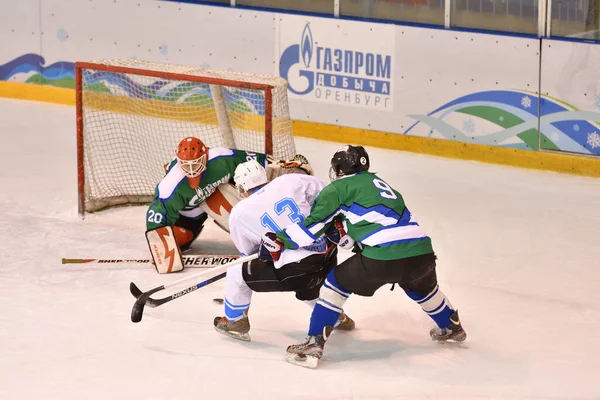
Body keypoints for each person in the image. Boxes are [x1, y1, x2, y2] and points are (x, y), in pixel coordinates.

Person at [260, 145, 466, 368]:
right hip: (422, 253)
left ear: (340, 170)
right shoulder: (381, 185)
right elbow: (376, 222)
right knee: (424, 289)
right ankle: (452, 327)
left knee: (335, 284)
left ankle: (313, 342)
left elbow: (312, 227)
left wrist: (280, 240)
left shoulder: (339, 188)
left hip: (383, 255)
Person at [213, 160, 355, 341]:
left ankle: (234, 321)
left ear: (240, 188)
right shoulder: (290, 180)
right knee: (308, 286)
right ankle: (336, 317)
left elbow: (248, 254)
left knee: (235, 271)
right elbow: (330, 193)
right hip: (328, 254)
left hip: (297, 271)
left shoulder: (238, 213)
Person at [145, 136, 312, 253]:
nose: (191, 169)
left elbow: (255, 160)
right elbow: (157, 213)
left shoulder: (221, 159)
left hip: (218, 192)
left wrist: (285, 165)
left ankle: (259, 228)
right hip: (189, 215)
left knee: (252, 179)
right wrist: (159, 242)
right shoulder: (171, 184)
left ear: (206, 155)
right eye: (186, 165)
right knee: (181, 239)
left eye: (195, 163)